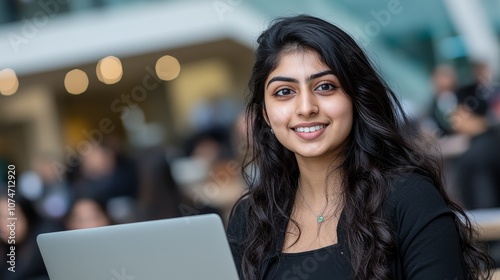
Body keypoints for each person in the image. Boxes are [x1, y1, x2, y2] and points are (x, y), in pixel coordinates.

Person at [226, 15, 493, 280]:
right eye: (284, 91)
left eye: (325, 86)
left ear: (356, 97)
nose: (306, 108)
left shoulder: (410, 199)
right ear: (264, 113)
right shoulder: (250, 220)